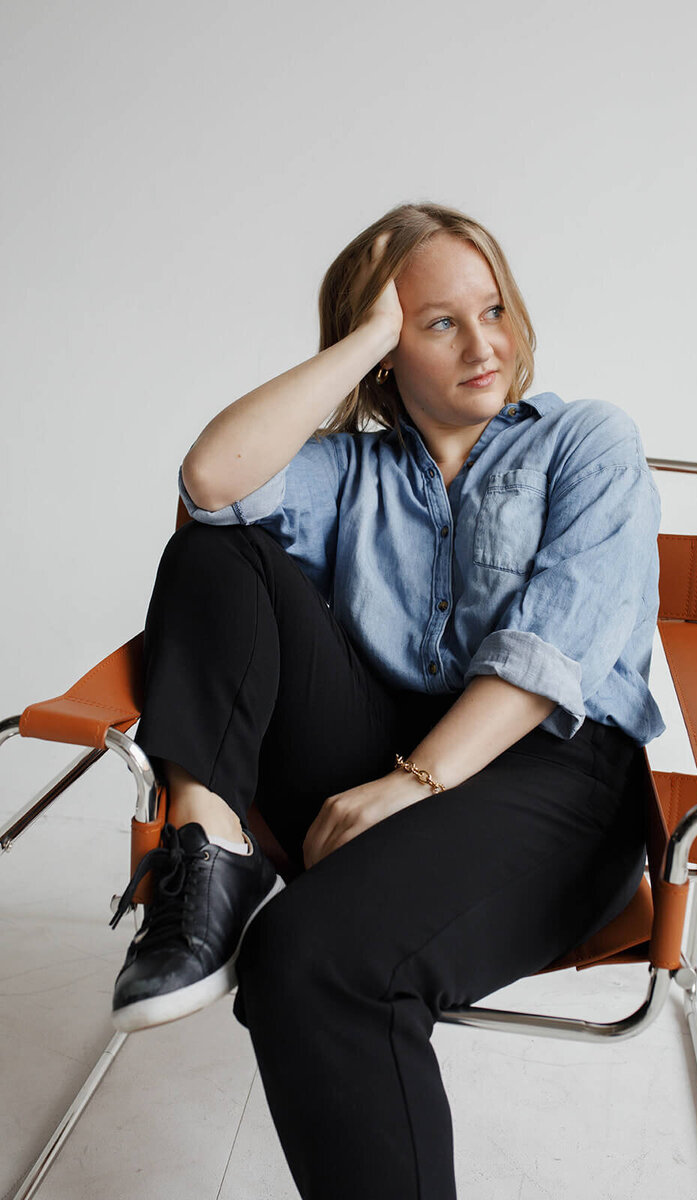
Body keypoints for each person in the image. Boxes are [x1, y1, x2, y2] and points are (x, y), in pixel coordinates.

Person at [109, 201, 665, 1198]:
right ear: (382, 351)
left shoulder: (583, 444)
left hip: (553, 783)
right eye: (436, 321)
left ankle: (249, 884)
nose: (484, 343)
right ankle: (209, 841)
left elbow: (551, 653)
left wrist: (410, 786)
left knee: (305, 958)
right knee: (217, 543)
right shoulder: (343, 472)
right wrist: (365, 331)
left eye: (490, 308)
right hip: (371, 757)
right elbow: (209, 482)